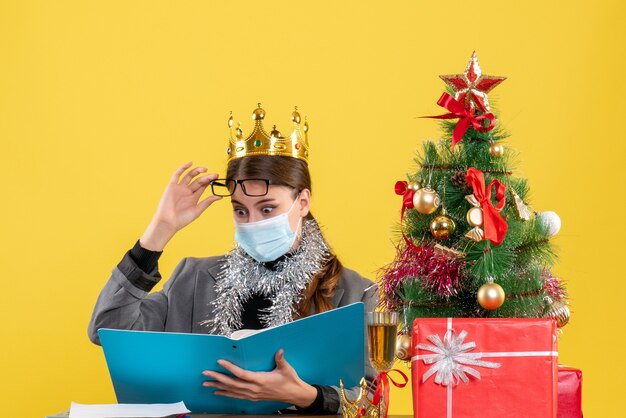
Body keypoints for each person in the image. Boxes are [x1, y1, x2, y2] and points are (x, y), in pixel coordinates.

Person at [88, 104, 378, 414]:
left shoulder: (356, 293)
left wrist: (306, 395)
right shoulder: (194, 277)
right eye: (240, 210)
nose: (252, 221)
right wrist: (159, 231)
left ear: (303, 202)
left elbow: (375, 402)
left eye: (267, 209)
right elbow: (107, 330)